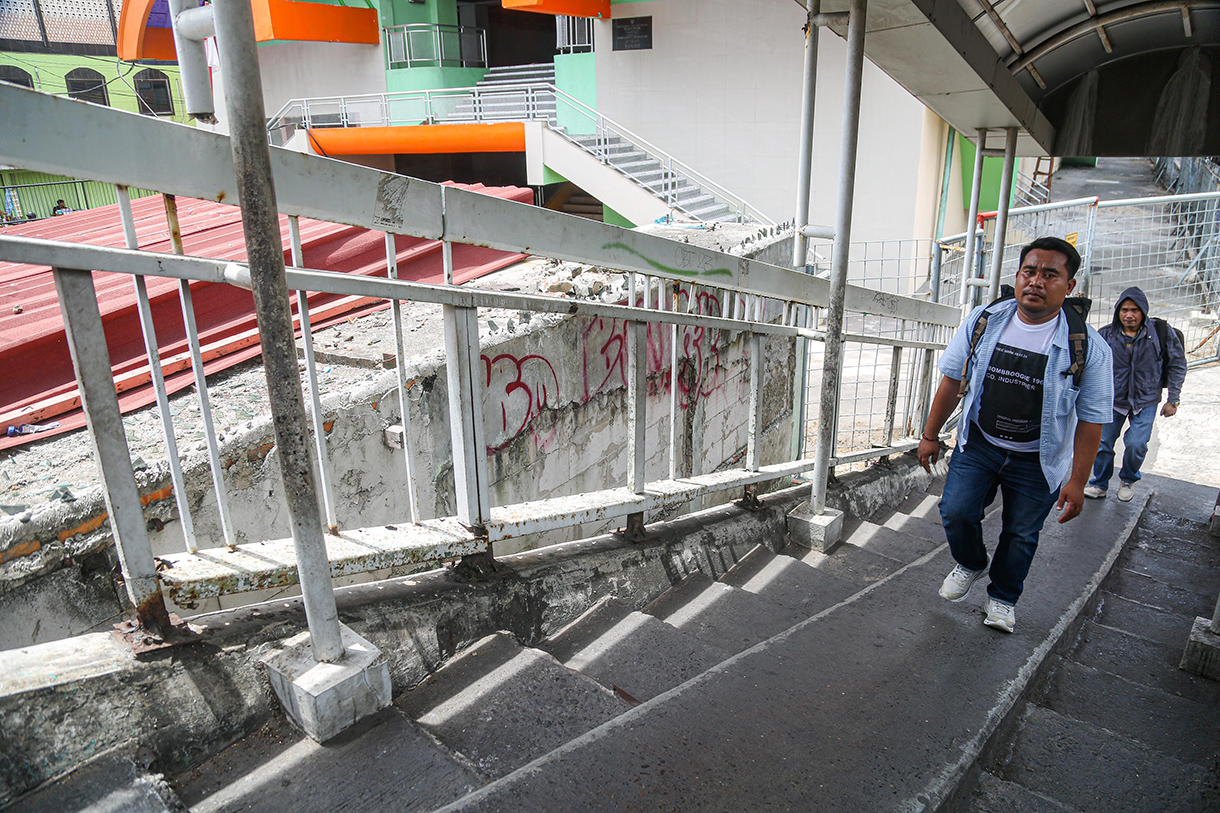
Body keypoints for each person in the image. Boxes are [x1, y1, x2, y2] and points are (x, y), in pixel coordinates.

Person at [918, 237, 1113, 634]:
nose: (1036, 282)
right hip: (980, 445)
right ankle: (971, 562)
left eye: (1050, 275)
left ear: (1069, 286)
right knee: (955, 511)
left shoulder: (1089, 348)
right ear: (1019, 275)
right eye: (1030, 271)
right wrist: (930, 434)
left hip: (1038, 459)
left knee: (1021, 533)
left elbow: (1093, 420)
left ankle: (1003, 599)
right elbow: (951, 378)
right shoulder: (985, 319)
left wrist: (1077, 482)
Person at [1083, 287, 1186, 502]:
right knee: (1103, 443)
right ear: (1118, 312)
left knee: (1137, 444)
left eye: (1135, 310)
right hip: (1113, 399)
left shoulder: (1160, 334)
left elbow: (1177, 365)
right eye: (1124, 310)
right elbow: (1089, 366)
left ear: (1144, 312)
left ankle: (1128, 479)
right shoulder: (1105, 335)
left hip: (1146, 399)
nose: (1129, 315)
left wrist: (1173, 399)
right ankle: (1099, 483)